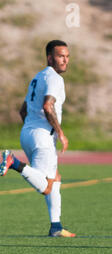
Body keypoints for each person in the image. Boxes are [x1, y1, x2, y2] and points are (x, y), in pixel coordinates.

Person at [0, 40, 75, 238]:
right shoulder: (55, 79)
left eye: (67, 56)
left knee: (55, 177)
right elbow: (48, 106)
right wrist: (60, 132)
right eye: (60, 56)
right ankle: (12, 161)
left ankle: (56, 226)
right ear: (50, 57)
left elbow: (23, 110)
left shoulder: (37, 77)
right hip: (42, 137)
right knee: (47, 187)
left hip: (28, 133)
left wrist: (31, 128)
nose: (65, 60)